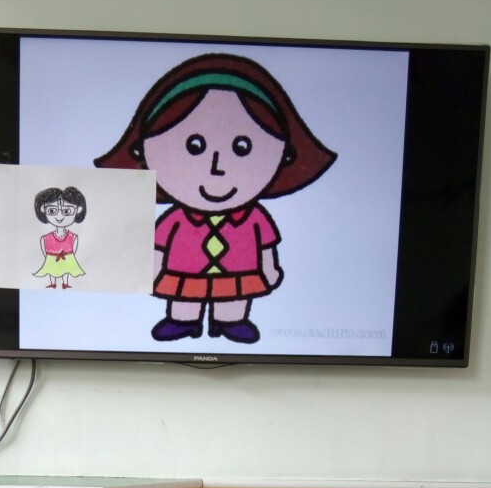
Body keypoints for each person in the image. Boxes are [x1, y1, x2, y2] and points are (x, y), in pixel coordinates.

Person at [95, 53, 336, 343]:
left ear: (283, 154)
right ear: (142, 151)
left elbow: (266, 247)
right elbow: (158, 248)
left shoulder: (255, 218)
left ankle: (230, 321)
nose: (217, 166)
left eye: (242, 147)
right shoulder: (175, 219)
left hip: (239, 271)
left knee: (233, 297)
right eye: (194, 146)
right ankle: (183, 320)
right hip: (184, 271)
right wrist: (152, 272)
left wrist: (269, 270)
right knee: (184, 296)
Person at [32, 185, 87, 289]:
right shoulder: (45, 238)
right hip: (51, 259)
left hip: (67, 259)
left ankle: (65, 283)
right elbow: (44, 252)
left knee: (66, 270)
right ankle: (53, 283)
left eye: (66, 211)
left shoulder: (73, 237)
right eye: (52, 211)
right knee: (51, 270)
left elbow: (73, 252)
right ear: (43, 209)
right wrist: (51, 258)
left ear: (78, 210)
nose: (59, 216)